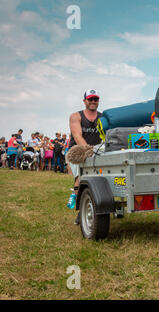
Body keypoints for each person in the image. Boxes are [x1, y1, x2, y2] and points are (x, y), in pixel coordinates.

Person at [68, 89, 103, 224]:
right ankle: (81, 211)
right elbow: (77, 136)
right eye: (90, 99)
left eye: (96, 99)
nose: (93, 101)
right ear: (84, 101)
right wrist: (88, 150)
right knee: (81, 179)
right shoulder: (76, 116)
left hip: (96, 150)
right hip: (78, 151)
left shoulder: (102, 117)